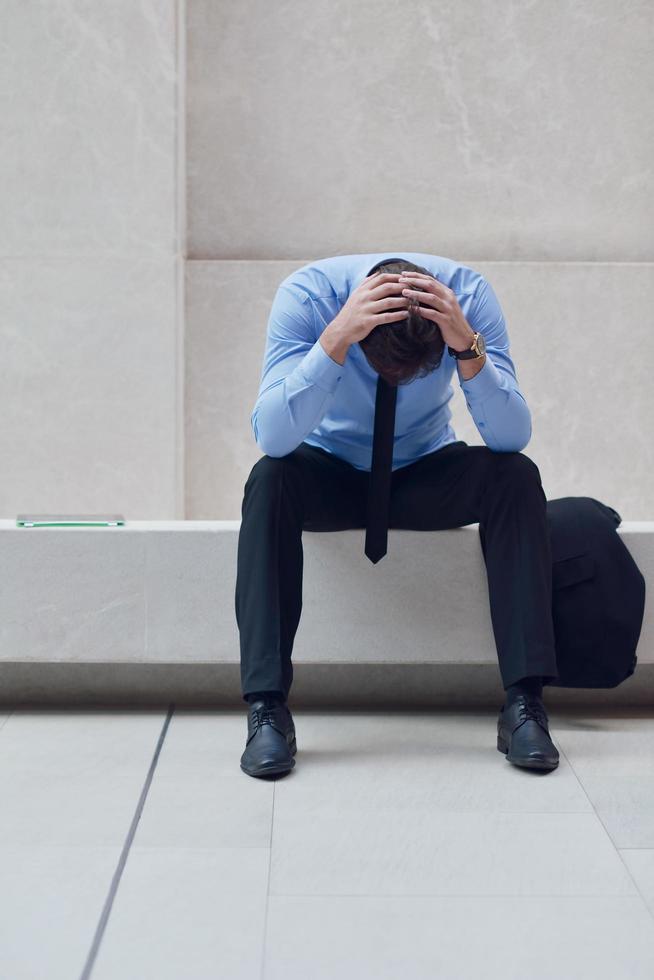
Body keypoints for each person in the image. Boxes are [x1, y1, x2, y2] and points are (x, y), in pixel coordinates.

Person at [235, 252, 560, 779]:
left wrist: (466, 344)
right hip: (329, 472)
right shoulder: (308, 297)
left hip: (422, 469)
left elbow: (510, 435)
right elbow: (273, 437)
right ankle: (267, 710)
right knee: (270, 479)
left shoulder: (470, 297)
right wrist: (336, 338)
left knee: (515, 475)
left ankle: (525, 706)